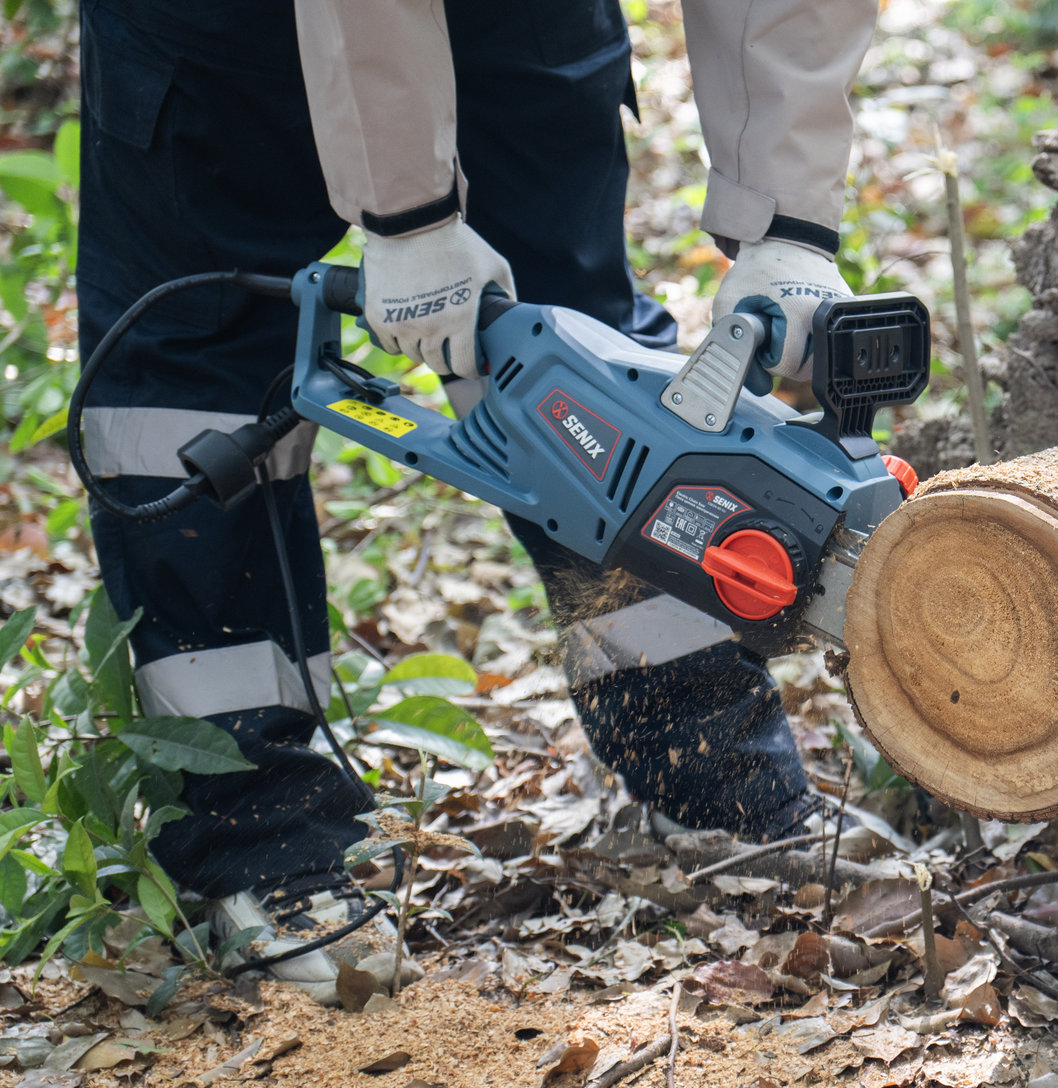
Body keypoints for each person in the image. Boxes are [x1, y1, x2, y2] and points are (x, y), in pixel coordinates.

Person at [75, 0, 878, 1004]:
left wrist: (786, 221)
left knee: (589, 374)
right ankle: (259, 840)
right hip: (220, 37)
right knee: (187, 398)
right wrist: (409, 215)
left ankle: (710, 773)